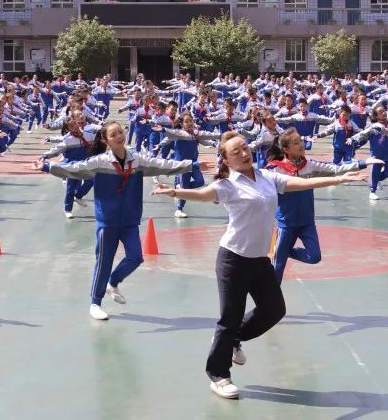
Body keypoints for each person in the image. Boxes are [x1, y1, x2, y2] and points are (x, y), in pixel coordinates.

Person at [150, 130, 367, 400]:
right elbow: (204, 194)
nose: (243, 153)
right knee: (229, 318)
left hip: (259, 260)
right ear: (227, 161)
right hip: (233, 259)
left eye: (244, 147)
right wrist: (174, 191)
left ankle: (231, 341)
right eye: (236, 152)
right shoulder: (227, 184)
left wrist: (338, 178)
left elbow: (300, 184)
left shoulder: (267, 177)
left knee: (274, 309)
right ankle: (219, 375)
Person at [35, 120, 192, 321]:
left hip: (130, 220)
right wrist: (47, 167)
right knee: (103, 262)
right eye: (114, 134)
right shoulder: (100, 162)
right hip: (107, 221)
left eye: (121, 132)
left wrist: (191, 165)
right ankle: (95, 302)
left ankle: (113, 282)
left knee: (136, 257)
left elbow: (163, 165)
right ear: (106, 140)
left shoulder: (137, 160)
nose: (119, 136)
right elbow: (74, 168)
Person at [263, 127, 382, 282]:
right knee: (277, 269)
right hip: (286, 224)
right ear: (286, 149)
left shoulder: (309, 165)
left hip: (307, 222)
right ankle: (270, 303)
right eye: (296, 142)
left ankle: (285, 251)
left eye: (300, 140)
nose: (301, 144)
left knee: (314, 257)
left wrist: (363, 163)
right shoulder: (275, 169)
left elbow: (335, 168)